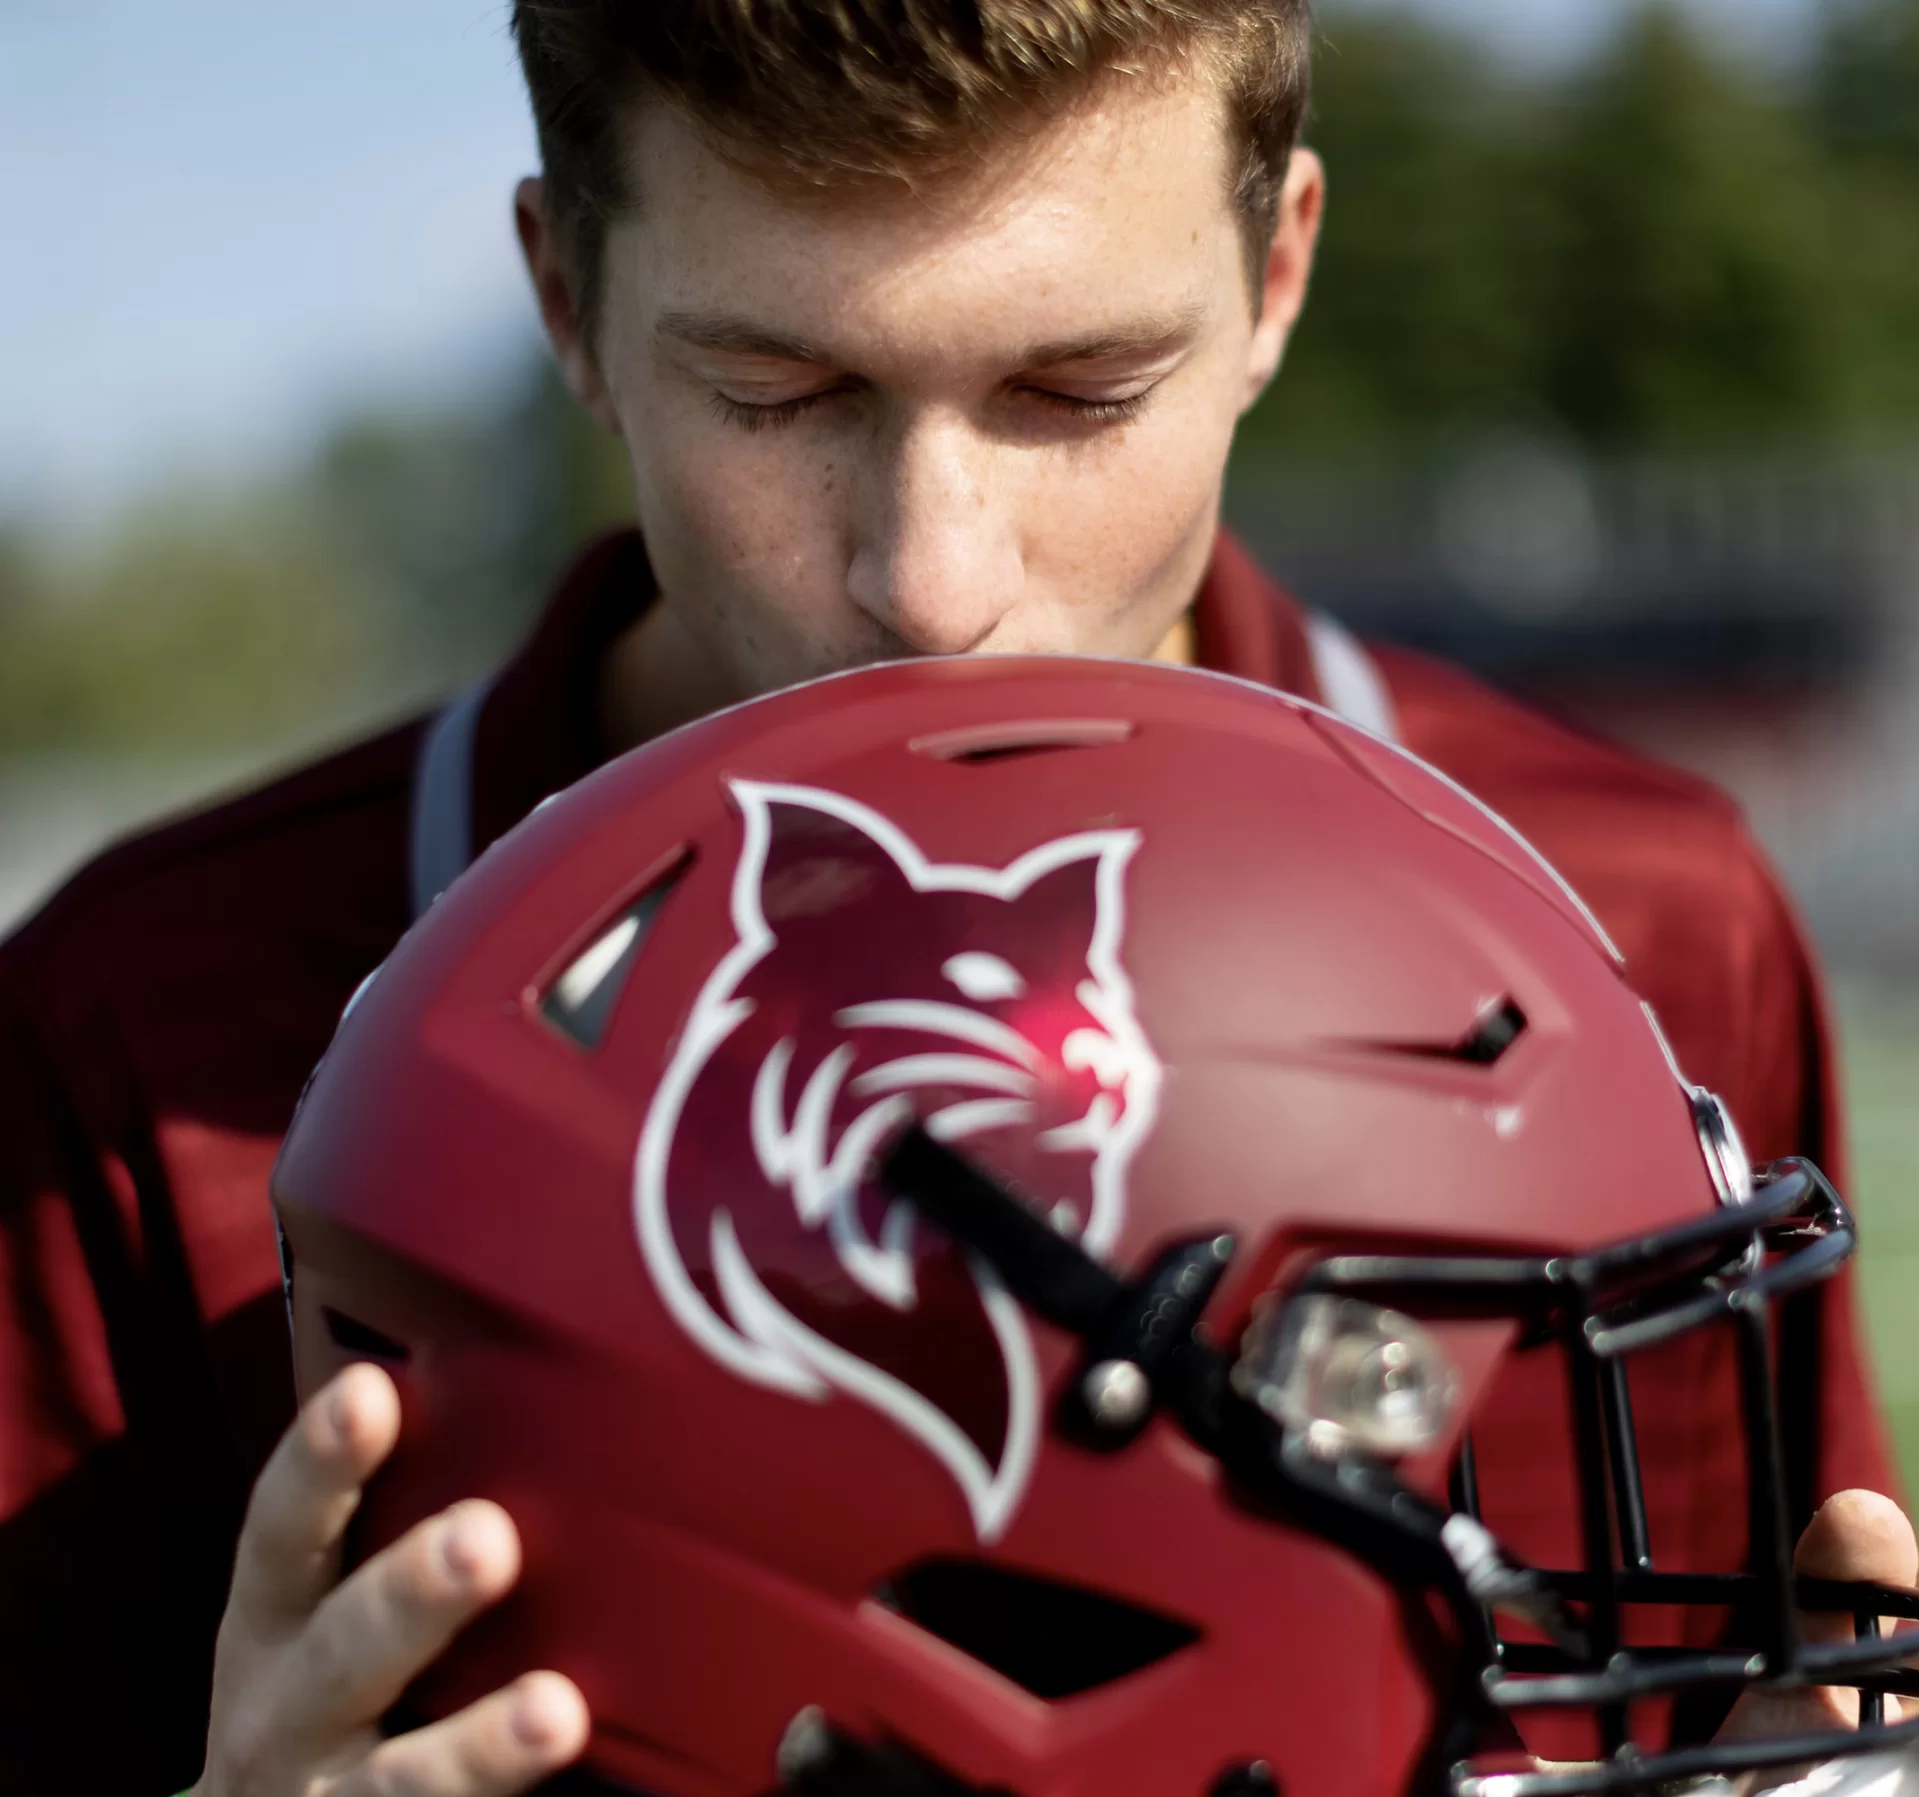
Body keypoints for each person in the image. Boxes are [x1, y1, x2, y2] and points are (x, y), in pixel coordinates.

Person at [0, 2, 1898, 1793]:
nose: (931, 578)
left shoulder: (1640, 916)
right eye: (779, 388)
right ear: (569, 301)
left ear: (1279, 273)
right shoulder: (132, 1033)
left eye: (1078, 384)